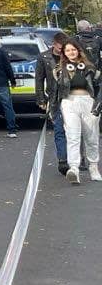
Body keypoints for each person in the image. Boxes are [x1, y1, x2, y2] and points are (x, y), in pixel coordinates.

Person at [49, 40, 101, 184]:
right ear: (64, 54)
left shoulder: (90, 68)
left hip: (88, 101)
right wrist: (52, 109)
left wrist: (98, 104)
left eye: (73, 50)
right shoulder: (59, 70)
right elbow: (54, 91)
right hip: (69, 102)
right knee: (72, 136)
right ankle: (74, 169)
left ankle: (93, 166)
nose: (71, 52)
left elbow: (98, 86)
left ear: (78, 50)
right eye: (67, 51)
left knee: (91, 137)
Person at [37, 33, 83, 177]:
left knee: (76, 130)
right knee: (59, 130)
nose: (62, 51)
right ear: (54, 44)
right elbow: (39, 79)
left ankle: (77, 160)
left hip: (73, 98)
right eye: (60, 48)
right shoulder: (44, 57)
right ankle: (63, 160)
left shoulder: (73, 56)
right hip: (56, 99)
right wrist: (41, 99)